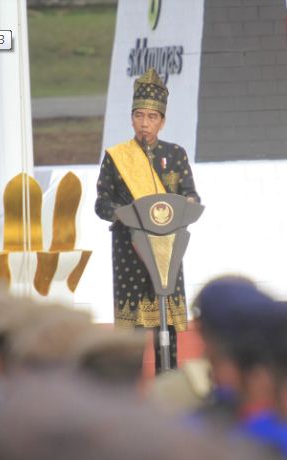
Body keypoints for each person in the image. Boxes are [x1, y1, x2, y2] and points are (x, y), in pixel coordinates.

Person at [95, 67, 200, 373]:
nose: (144, 123)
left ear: (162, 121)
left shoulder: (176, 154)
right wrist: (127, 215)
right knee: (132, 337)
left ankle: (168, 387)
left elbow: (191, 195)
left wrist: (185, 206)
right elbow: (101, 204)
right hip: (130, 251)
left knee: (165, 331)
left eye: (151, 117)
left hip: (168, 249)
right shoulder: (117, 157)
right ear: (131, 118)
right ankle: (128, 395)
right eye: (139, 115)